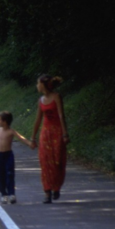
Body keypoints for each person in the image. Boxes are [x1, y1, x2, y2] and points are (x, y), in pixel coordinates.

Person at [30, 75, 69, 203]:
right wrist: (33, 137)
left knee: (57, 161)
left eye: (38, 83)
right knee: (45, 162)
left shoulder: (56, 97)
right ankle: (47, 192)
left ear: (43, 85)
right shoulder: (41, 100)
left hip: (57, 132)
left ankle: (56, 187)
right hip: (45, 134)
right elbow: (38, 119)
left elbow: (61, 115)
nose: (37, 86)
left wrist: (65, 134)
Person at [0, 111, 34, 204]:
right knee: (0, 175)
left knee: (10, 174)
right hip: (0, 155)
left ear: (5, 121)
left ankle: (11, 194)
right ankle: (4, 194)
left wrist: (29, 143)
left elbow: (21, 138)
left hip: (8, 155)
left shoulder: (11, 132)